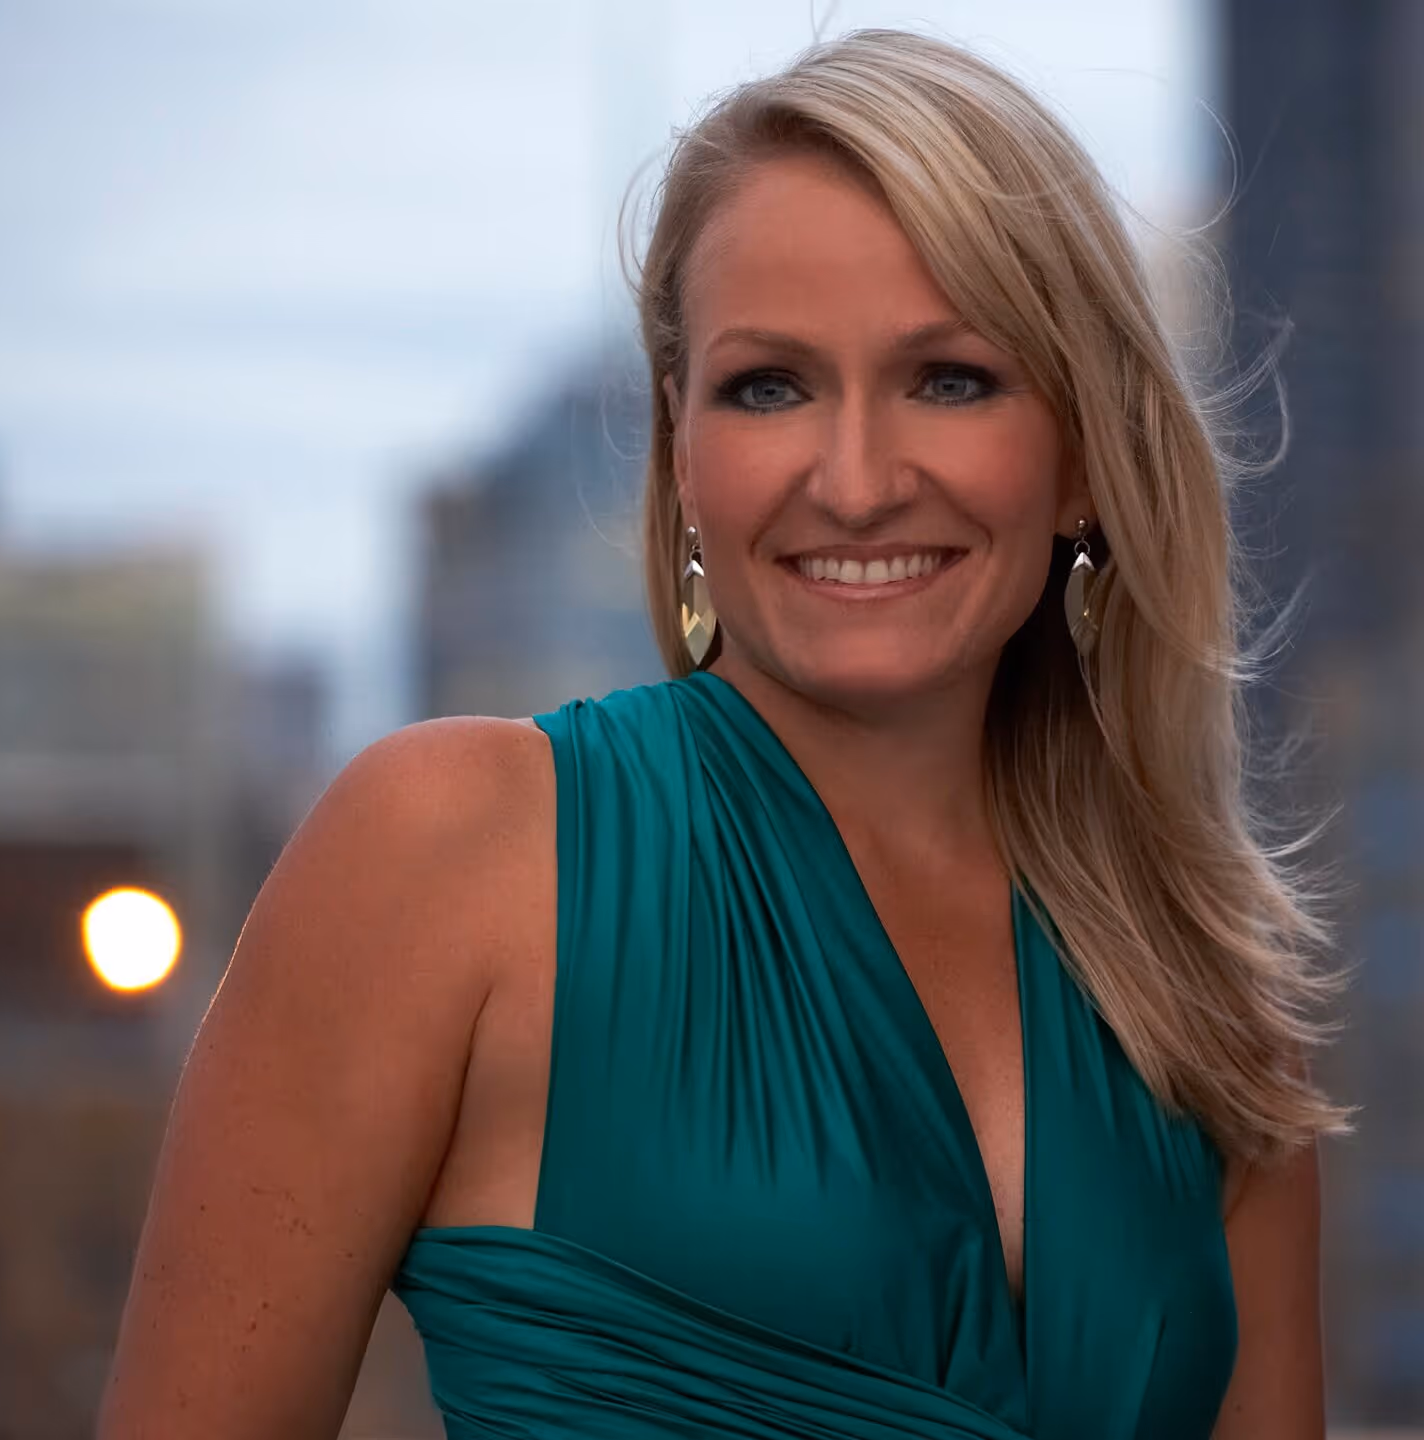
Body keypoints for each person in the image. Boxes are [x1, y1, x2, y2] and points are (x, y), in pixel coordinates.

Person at [97, 28, 1354, 1440]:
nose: (860, 480)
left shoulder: (1199, 986)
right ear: (681, 451)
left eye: (950, 379)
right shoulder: (452, 854)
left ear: (1077, 458)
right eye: (771, 386)